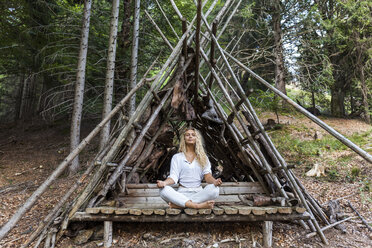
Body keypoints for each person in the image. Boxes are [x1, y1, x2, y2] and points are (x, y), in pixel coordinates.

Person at [157, 127, 222, 209]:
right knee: (163, 190)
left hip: (198, 193)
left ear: (197, 138)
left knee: (215, 190)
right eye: (187, 135)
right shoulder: (177, 157)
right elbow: (173, 177)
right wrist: (164, 183)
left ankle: (181, 205)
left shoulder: (203, 157)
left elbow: (208, 176)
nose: (190, 136)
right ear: (184, 138)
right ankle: (196, 205)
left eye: (193, 135)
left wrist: (215, 181)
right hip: (181, 193)